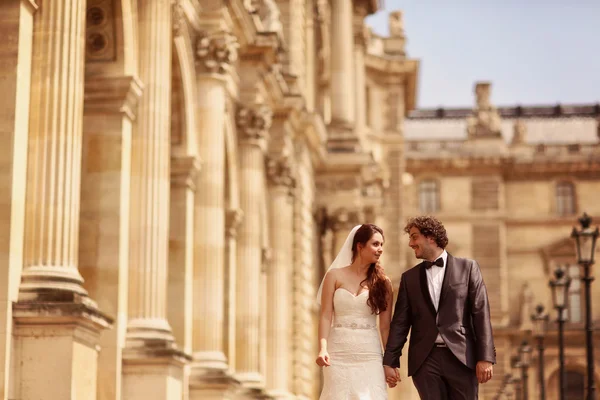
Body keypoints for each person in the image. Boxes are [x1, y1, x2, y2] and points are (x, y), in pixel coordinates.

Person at [383, 216, 496, 399]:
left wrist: (485, 357)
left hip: (462, 357)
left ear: (431, 237)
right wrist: (390, 361)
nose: (411, 244)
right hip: (425, 361)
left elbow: (480, 314)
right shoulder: (409, 278)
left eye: (414, 237)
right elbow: (400, 324)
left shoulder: (468, 268)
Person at [316, 224, 395, 399]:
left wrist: (390, 362)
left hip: (370, 354)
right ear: (360, 246)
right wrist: (323, 349)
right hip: (338, 353)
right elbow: (326, 316)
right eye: (375, 244)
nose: (380, 249)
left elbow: (385, 327)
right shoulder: (334, 276)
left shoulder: (384, 283)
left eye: (382, 245)